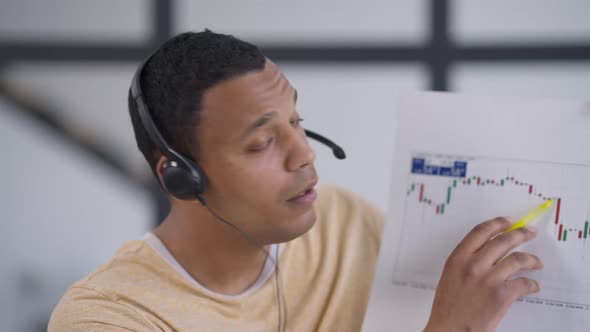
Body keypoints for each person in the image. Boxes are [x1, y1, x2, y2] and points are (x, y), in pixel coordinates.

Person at [48, 30, 543, 332]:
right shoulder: (108, 317)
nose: (304, 154)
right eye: (262, 143)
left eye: (297, 122)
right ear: (181, 176)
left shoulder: (343, 222)